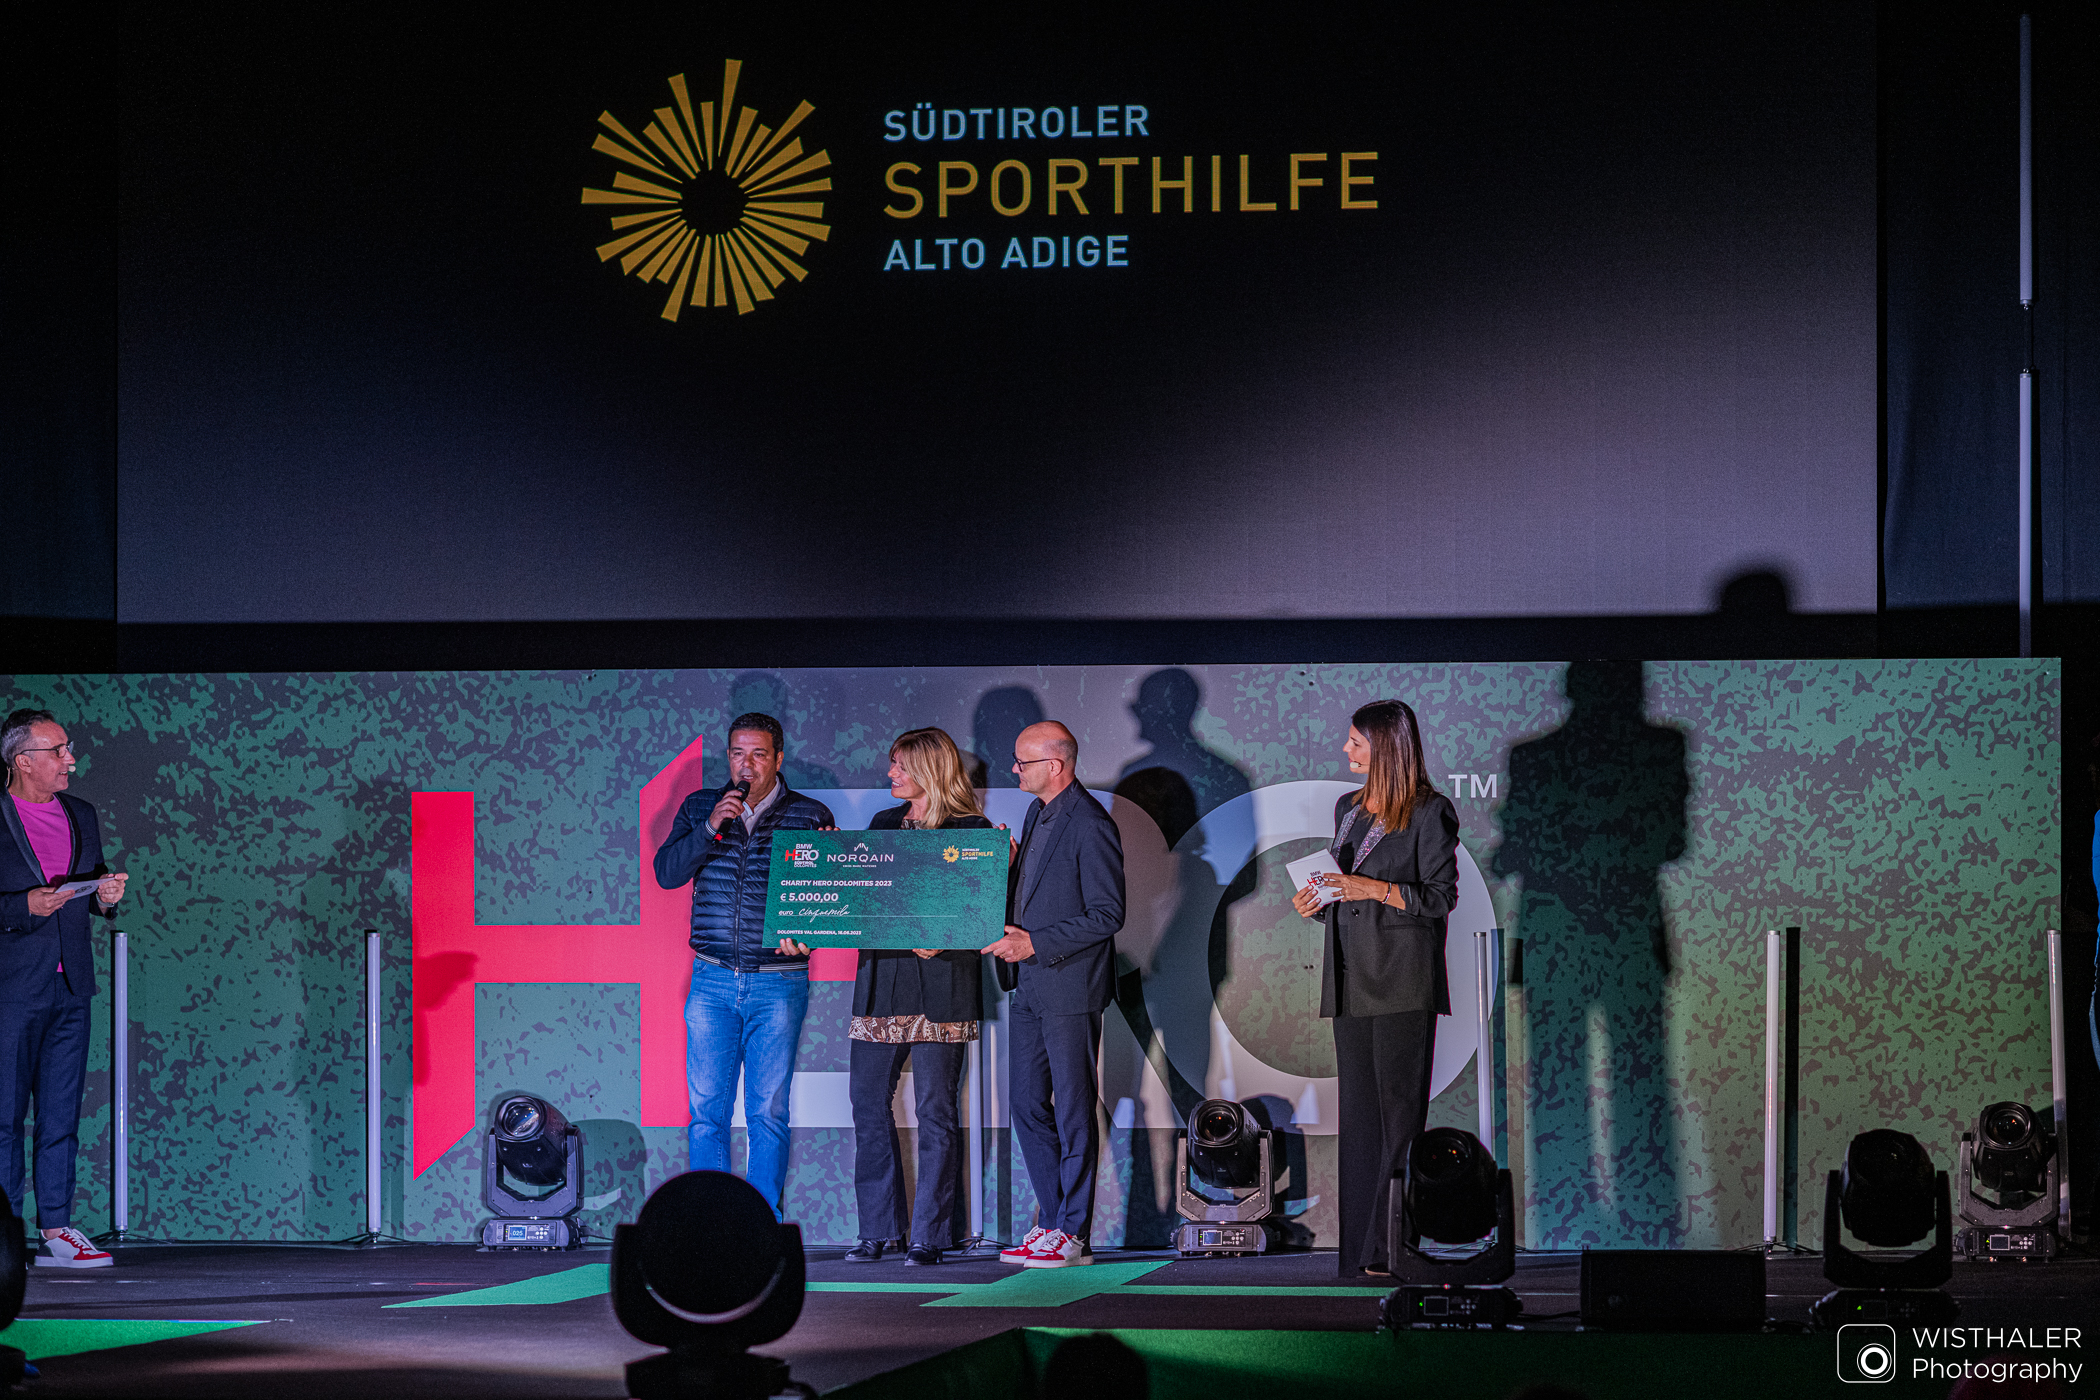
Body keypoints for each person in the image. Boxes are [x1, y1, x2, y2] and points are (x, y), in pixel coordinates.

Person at [1292, 698, 1459, 1277]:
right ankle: (1357, 1252)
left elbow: (1439, 897)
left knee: (1398, 1121)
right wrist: (1317, 901)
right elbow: (1343, 885)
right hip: (1349, 977)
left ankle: (1394, 1248)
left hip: (1401, 981)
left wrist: (1371, 888)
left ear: (1386, 748)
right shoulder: (1348, 807)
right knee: (1359, 1120)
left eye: (1356, 742)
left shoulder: (1430, 811)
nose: (1346, 749)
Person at [653, 712, 834, 1215]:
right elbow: (667, 873)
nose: (746, 765)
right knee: (706, 1114)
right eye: (737, 753)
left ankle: (763, 1226)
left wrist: (811, 936)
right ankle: (711, 1225)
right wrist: (711, 826)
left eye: (758, 754)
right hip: (711, 979)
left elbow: (830, 901)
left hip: (778, 983)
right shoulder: (700, 807)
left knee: (768, 1112)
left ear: (778, 758)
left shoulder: (809, 815)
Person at [841, 728, 993, 1266]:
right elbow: (863, 900)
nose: (891, 774)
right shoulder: (883, 825)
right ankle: (878, 1229)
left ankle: (930, 1234)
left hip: (943, 986)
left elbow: (985, 913)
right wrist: (836, 865)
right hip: (881, 981)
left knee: (935, 1111)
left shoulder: (973, 831)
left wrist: (950, 935)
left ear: (929, 769)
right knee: (867, 1104)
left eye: (900, 765)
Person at [983, 721, 1125, 1268]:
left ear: (1055, 766)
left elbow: (1108, 914)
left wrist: (1035, 943)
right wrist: (1008, 868)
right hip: (1030, 984)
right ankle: (1051, 1221)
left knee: (1072, 1107)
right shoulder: (1035, 813)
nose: (1014, 770)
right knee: (1025, 1102)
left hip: (1070, 983)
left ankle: (1074, 1232)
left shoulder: (1090, 823)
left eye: (1023, 762)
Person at [1, 709, 127, 1268]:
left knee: (60, 1115)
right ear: (23, 760)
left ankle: (56, 1230)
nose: (69, 759)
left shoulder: (81, 814)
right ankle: (5, 1237)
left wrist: (106, 896)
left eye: (67, 748)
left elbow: (91, 882)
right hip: (12, 988)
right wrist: (22, 906)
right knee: (4, 1117)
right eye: (57, 750)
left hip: (71, 985)